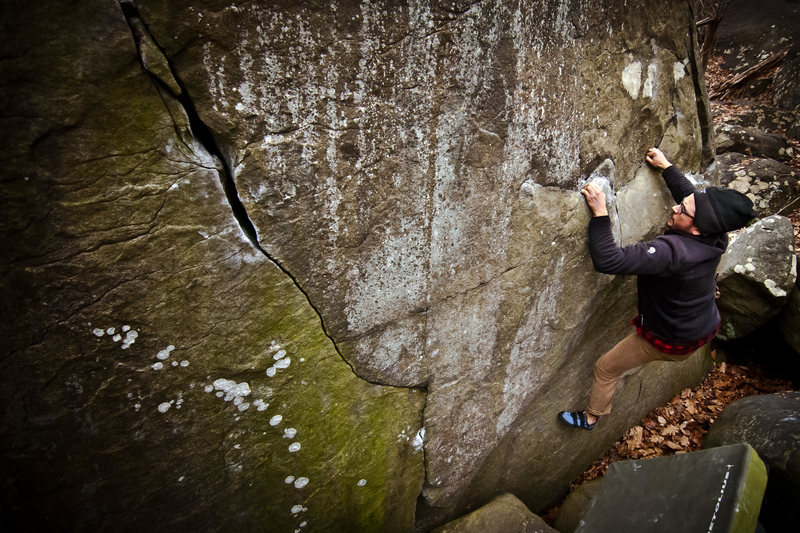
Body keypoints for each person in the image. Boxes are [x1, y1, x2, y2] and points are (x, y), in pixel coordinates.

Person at [558, 147, 756, 430]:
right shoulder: (715, 235)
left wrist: (601, 214)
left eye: (682, 210)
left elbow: (609, 260)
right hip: (703, 323)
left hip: (673, 341)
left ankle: (590, 417)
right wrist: (667, 168)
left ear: (697, 228)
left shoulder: (672, 252)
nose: (675, 207)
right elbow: (691, 201)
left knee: (605, 368)